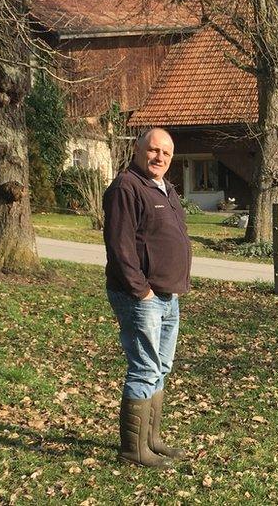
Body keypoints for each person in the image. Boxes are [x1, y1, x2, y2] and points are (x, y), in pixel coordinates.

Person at [103, 128, 192, 468]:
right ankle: (132, 450)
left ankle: (151, 440)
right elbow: (120, 246)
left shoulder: (164, 187)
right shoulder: (127, 186)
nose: (160, 158)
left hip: (169, 296)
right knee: (144, 368)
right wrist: (141, 291)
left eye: (166, 154)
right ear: (139, 150)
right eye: (154, 150)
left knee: (160, 367)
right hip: (141, 296)